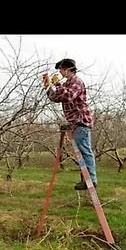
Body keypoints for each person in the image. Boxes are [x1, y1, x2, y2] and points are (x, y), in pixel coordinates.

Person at [43, 58, 97, 190]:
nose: (60, 72)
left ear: (68, 69)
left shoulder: (76, 82)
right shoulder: (67, 83)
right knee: (82, 151)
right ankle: (86, 179)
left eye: (61, 69)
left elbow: (68, 96)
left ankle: (91, 180)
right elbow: (56, 98)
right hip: (74, 122)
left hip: (81, 121)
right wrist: (48, 87)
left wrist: (58, 85)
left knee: (85, 150)